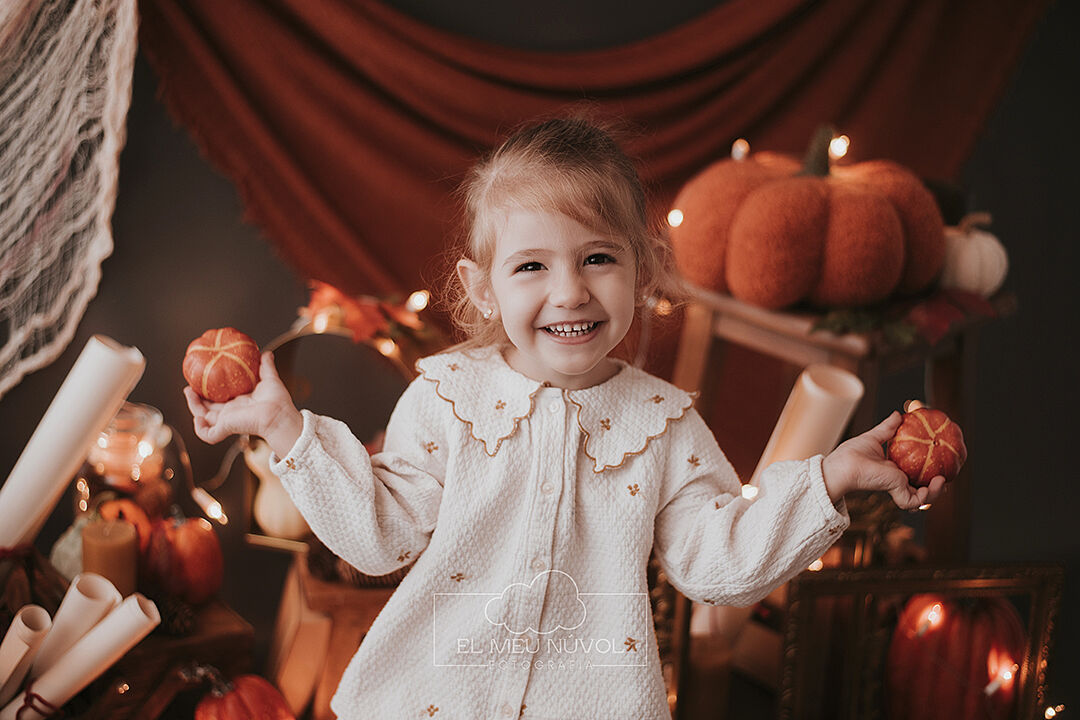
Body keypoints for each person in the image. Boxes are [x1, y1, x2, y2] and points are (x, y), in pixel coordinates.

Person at [185, 116, 945, 719]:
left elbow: (718, 562)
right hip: (432, 696)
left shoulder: (662, 423)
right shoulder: (447, 398)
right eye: (531, 266)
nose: (570, 291)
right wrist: (284, 427)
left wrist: (829, 480)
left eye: (597, 258)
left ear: (642, 271)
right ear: (482, 288)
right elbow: (380, 536)